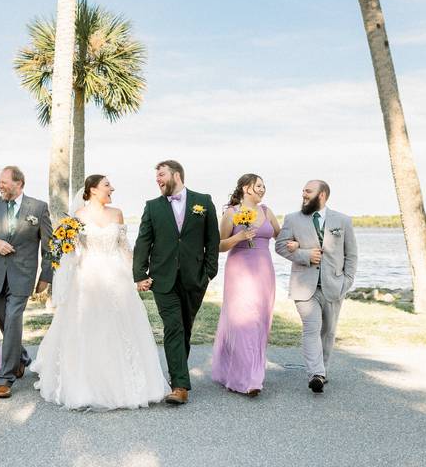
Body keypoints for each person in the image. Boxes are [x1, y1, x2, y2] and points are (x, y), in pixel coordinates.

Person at [30, 175, 167, 409]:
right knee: (89, 327)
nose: (112, 188)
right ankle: (86, 385)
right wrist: (66, 250)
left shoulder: (117, 213)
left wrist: (139, 275)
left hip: (117, 278)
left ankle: (129, 384)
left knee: (121, 327)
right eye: (107, 185)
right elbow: (69, 252)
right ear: (92, 189)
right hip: (87, 278)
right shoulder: (78, 217)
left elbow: (125, 248)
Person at [133, 160, 220, 405]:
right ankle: (179, 386)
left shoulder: (203, 201)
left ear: (177, 175)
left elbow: (212, 240)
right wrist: (140, 275)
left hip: (195, 279)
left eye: (161, 175)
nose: (158, 180)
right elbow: (143, 242)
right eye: (156, 177)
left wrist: (209, 272)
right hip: (163, 279)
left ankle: (177, 374)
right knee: (173, 327)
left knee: (185, 329)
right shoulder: (152, 207)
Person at [0, 166, 54, 399]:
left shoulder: (38, 208)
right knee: (5, 323)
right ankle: (21, 359)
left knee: (13, 319)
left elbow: (50, 246)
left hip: (23, 275)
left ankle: (5, 377)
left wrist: (45, 277)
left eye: (4, 182)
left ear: (19, 183)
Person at [274, 180, 358, 393]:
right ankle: (316, 374)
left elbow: (351, 255)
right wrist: (304, 254)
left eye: (308, 191)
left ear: (322, 195)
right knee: (311, 329)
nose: (303, 194)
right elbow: (280, 246)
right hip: (304, 286)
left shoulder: (343, 220)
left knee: (328, 332)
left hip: (334, 286)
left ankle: (323, 370)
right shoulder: (292, 219)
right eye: (303, 190)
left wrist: (346, 281)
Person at [210, 173, 282, 397]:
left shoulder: (266, 211)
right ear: (245, 188)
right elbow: (219, 245)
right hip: (239, 272)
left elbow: (280, 236)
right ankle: (248, 380)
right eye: (259, 185)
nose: (262, 189)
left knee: (259, 322)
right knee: (243, 323)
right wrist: (238, 238)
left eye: (263, 185)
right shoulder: (231, 213)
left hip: (264, 272)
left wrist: (299, 245)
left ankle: (251, 372)